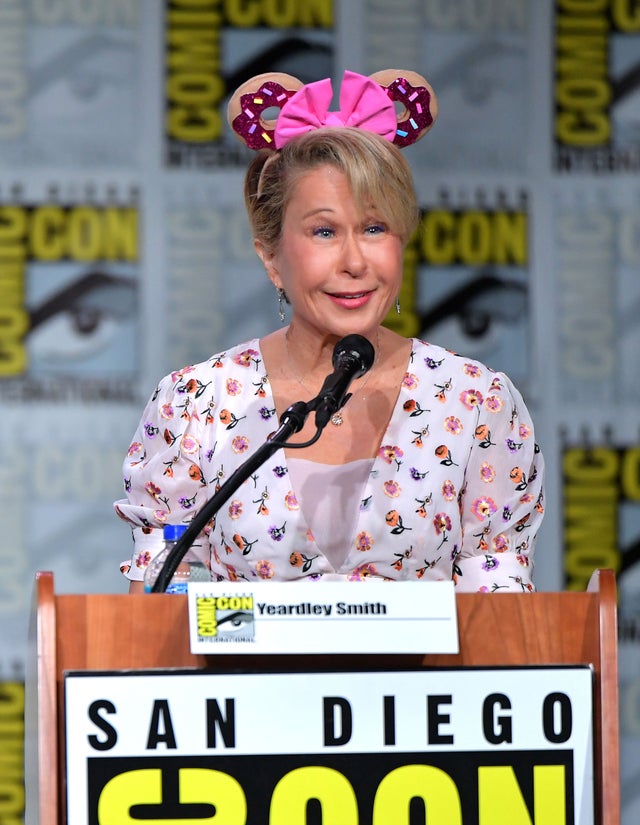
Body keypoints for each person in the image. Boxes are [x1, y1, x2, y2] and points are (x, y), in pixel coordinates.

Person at [115, 69, 544, 593]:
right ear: (271, 257)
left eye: (374, 228)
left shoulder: (476, 401)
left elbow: (502, 621)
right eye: (323, 231)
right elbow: (157, 619)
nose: (354, 262)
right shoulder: (195, 405)